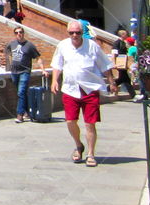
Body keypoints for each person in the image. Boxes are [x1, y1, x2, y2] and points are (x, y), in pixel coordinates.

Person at [50, 20, 117, 167]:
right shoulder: (63, 45)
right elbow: (57, 64)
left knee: (90, 124)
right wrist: (54, 81)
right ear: (68, 33)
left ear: (82, 33)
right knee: (70, 121)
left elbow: (105, 65)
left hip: (89, 89)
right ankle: (79, 145)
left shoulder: (92, 46)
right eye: (71, 33)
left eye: (78, 32)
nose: (75, 35)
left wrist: (111, 82)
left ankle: (91, 154)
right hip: (70, 88)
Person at [4, 27, 42, 122]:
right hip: (14, 72)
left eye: (20, 32)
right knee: (21, 93)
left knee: (21, 92)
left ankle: (19, 115)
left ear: (23, 33)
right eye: (16, 33)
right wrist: (9, 65)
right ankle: (27, 112)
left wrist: (43, 69)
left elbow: (38, 58)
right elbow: (7, 52)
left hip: (24, 72)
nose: (18, 34)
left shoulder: (29, 45)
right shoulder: (11, 44)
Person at [112, 28, 136, 98]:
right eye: (125, 34)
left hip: (124, 62)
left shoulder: (124, 43)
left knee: (122, 79)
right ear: (122, 35)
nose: (127, 35)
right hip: (120, 62)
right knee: (125, 79)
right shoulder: (117, 43)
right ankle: (133, 95)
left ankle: (109, 88)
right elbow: (113, 53)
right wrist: (114, 63)